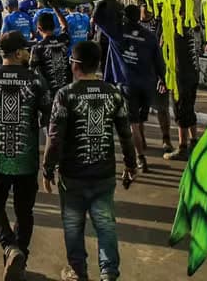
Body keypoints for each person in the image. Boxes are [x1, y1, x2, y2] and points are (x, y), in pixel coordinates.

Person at [42, 41, 138, 281]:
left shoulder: (65, 95)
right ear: (98, 65)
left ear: (74, 65)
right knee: (105, 225)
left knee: (73, 225)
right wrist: (130, 165)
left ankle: (78, 272)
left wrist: (47, 170)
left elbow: (55, 138)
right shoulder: (113, 93)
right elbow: (126, 134)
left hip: (72, 175)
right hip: (104, 175)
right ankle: (109, 274)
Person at [0, 31, 51, 281]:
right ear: (17, 53)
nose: (28, 52)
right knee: (24, 211)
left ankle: (9, 247)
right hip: (26, 159)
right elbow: (49, 118)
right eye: (25, 49)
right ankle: (19, 258)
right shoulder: (36, 80)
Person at [114, 4, 167, 172]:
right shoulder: (150, 36)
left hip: (129, 85)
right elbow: (159, 62)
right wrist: (162, 80)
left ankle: (140, 158)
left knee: (134, 124)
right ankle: (141, 143)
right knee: (140, 119)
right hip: (148, 85)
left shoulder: (119, 34)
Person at [163, 0, 200, 161]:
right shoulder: (193, 25)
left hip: (181, 75)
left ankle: (183, 147)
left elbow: (165, 48)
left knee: (181, 111)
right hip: (193, 73)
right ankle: (194, 141)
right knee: (189, 108)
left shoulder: (176, 28)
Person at [30, 9, 71, 101]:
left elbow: (31, 71)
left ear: (39, 28)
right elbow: (65, 26)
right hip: (66, 90)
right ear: (54, 26)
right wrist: (56, 9)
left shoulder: (38, 48)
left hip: (48, 93)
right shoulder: (63, 40)